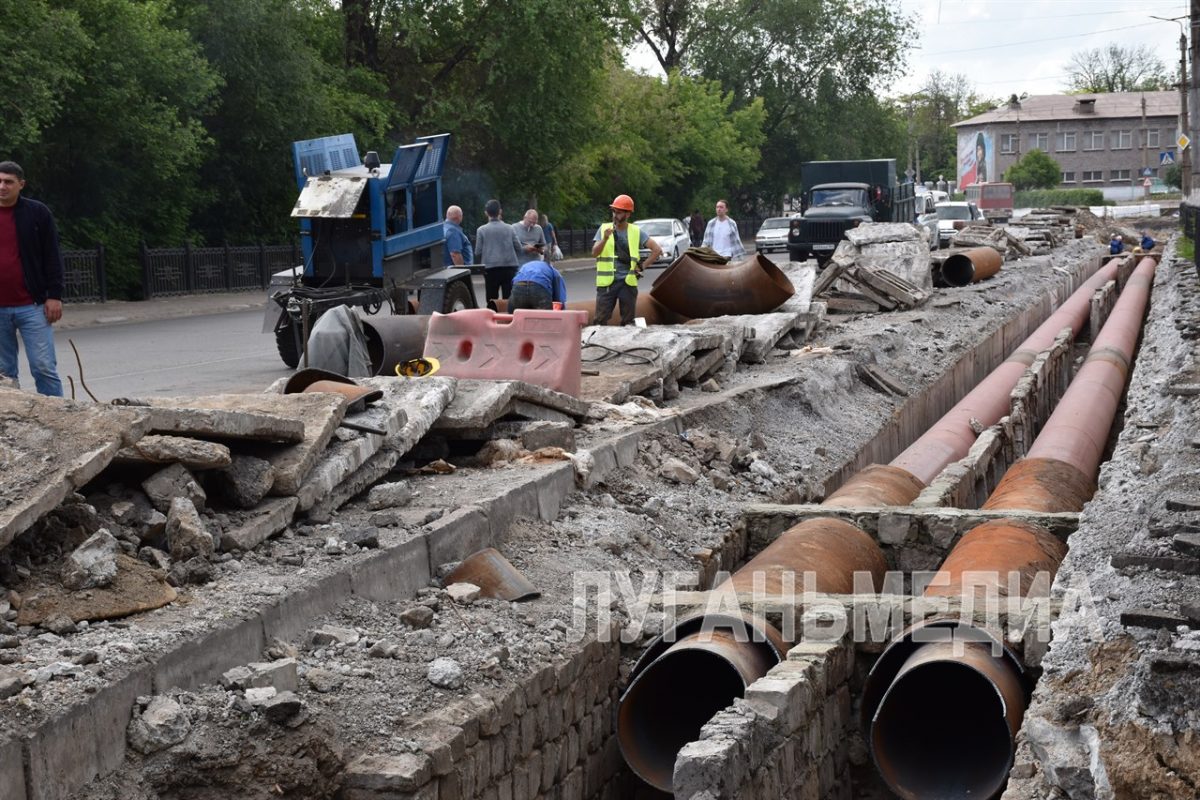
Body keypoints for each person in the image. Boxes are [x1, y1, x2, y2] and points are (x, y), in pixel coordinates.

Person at [0, 161, 64, 397]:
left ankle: (58, 421)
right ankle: (7, 425)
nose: (2, 186)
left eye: (8, 182)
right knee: (4, 374)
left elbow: (52, 256)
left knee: (43, 367)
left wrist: (54, 296)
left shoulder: (37, 213)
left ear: (21, 184)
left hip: (32, 306)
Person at [592, 194, 661, 326]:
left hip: (627, 283)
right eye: (613, 211)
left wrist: (642, 266)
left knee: (628, 322)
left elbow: (657, 250)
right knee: (599, 321)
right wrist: (605, 239)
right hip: (607, 284)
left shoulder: (636, 231)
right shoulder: (604, 229)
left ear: (628, 214)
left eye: (618, 212)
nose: (615, 215)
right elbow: (595, 253)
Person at [475, 199, 522, 303]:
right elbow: (518, 247)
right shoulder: (510, 228)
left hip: (490, 269)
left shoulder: (481, 230)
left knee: (492, 300)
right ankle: (508, 318)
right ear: (500, 211)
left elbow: (478, 251)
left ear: (486, 213)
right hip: (509, 267)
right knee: (508, 299)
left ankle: (493, 317)